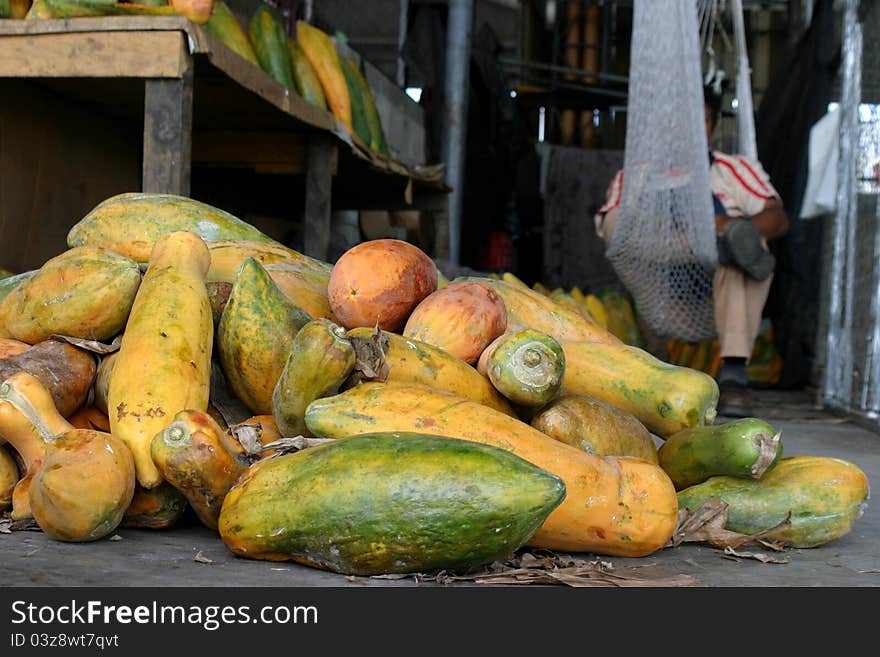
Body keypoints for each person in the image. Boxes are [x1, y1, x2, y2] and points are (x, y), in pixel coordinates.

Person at [594, 85, 789, 417]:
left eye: (705, 120)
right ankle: (713, 242)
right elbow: (610, 230)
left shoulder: (733, 170)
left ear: (713, 125)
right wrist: (701, 233)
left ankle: (733, 377)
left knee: (748, 242)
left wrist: (725, 224)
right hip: (660, 294)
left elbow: (777, 218)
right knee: (617, 220)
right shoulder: (635, 176)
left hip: (716, 301)